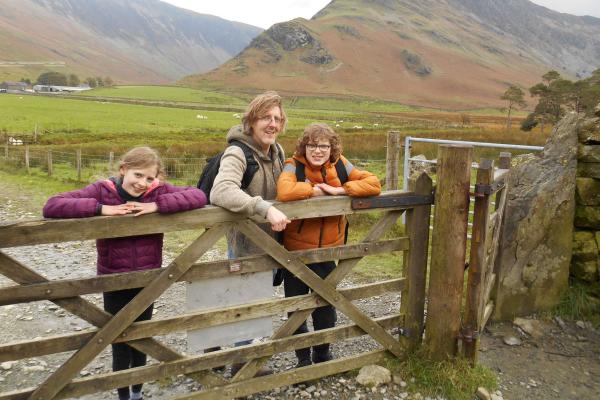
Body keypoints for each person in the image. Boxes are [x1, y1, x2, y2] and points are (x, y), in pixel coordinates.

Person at [43, 146, 207, 400]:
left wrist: (156, 206)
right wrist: (100, 209)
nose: (143, 183)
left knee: (142, 335)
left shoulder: (157, 192)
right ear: (123, 170)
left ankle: (136, 392)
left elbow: (198, 196)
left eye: (149, 178)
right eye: (138, 175)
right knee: (118, 339)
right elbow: (52, 205)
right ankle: (122, 395)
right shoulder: (102, 191)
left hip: (147, 279)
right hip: (113, 278)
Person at [276, 122, 381, 368]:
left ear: (331, 147)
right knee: (296, 305)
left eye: (323, 145)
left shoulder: (341, 164)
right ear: (304, 146)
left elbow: (374, 183)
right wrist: (314, 189)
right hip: (296, 252)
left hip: (329, 250)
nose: (318, 150)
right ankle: (302, 358)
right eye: (312, 145)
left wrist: (339, 191)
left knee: (325, 305)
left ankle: (322, 353)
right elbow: (284, 191)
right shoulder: (294, 165)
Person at [209, 91, 290, 376]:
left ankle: (213, 348)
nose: (273, 124)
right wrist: (263, 208)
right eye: (266, 118)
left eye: (277, 119)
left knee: (243, 297)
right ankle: (241, 366)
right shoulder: (238, 152)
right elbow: (221, 190)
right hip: (245, 241)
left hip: (271, 241)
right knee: (247, 300)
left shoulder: (277, 151)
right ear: (251, 121)